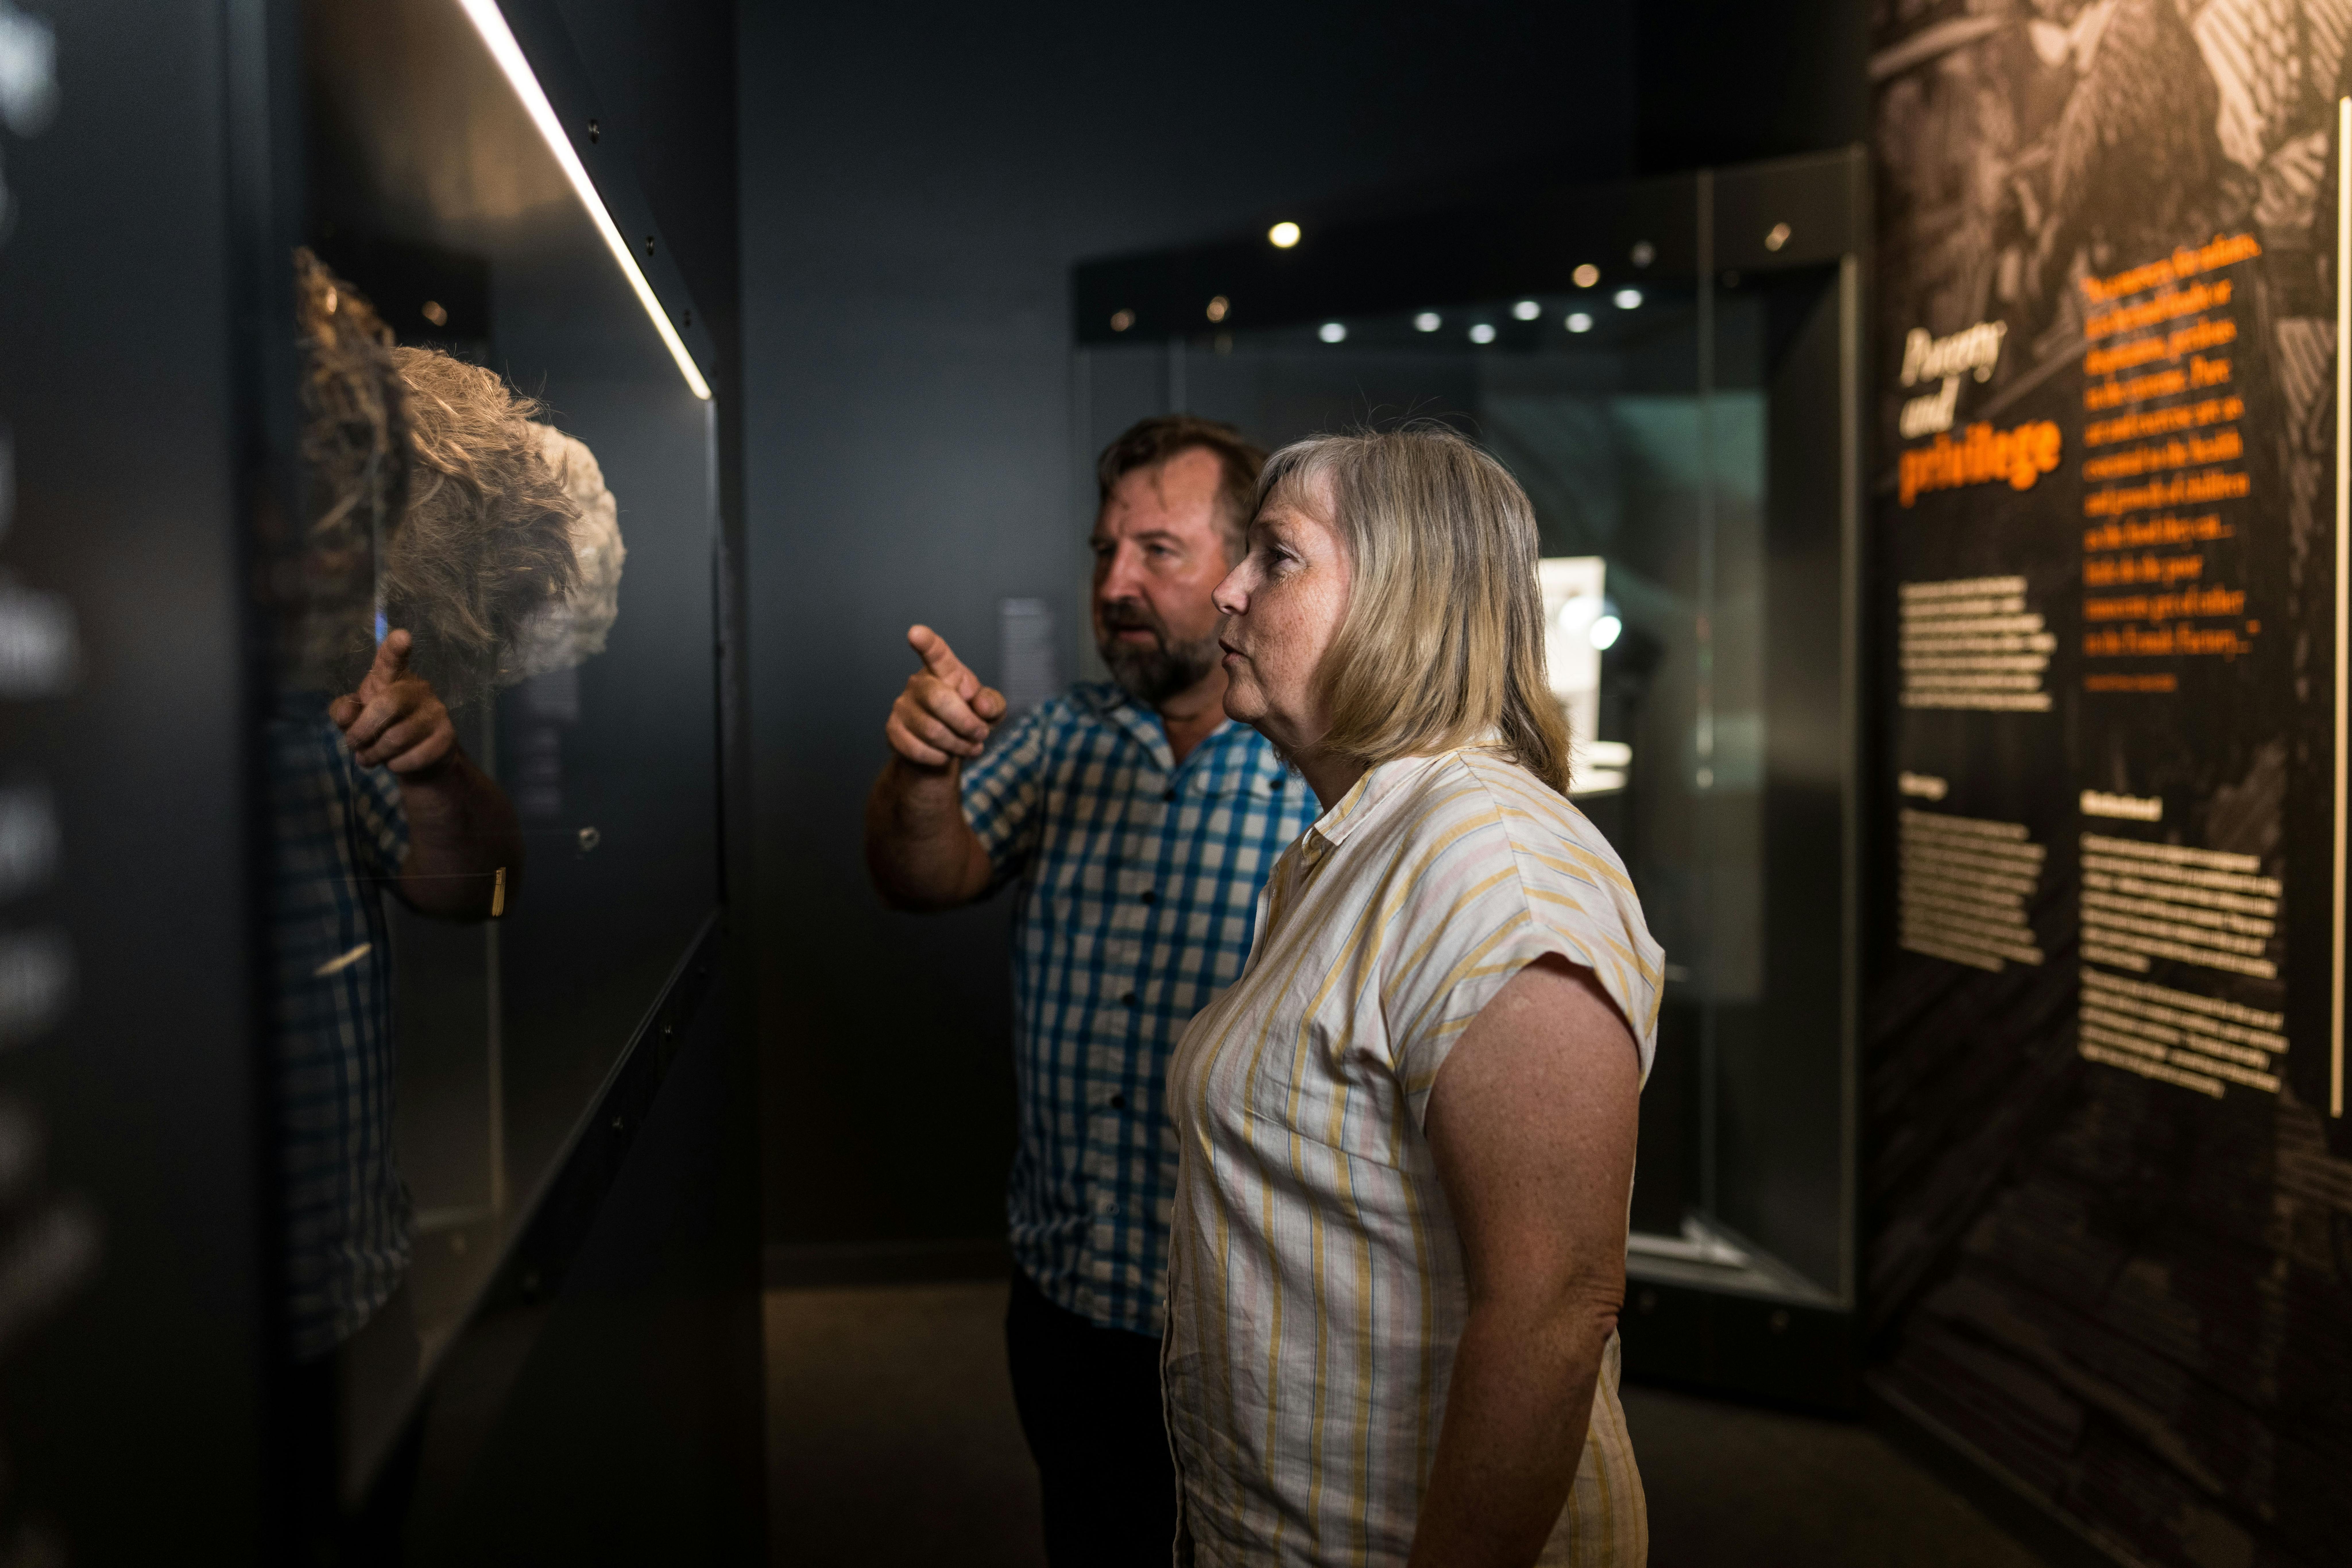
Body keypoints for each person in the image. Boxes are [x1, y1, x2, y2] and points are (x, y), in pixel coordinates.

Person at [1162, 427, 1665, 1567]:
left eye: (1274, 558)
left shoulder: (1492, 867)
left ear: (1403, 597)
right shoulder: (1362, 846)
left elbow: (1550, 1311)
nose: (1228, 591)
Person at [864, 416, 1323, 1566]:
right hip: (1066, 1288)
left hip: (1244, 1318)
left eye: (1157, 550)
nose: (1114, 583)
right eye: (1103, 551)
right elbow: (922, 876)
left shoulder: (1318, 774)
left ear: (1245, 567)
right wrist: (921, 771)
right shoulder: (1065, 735)